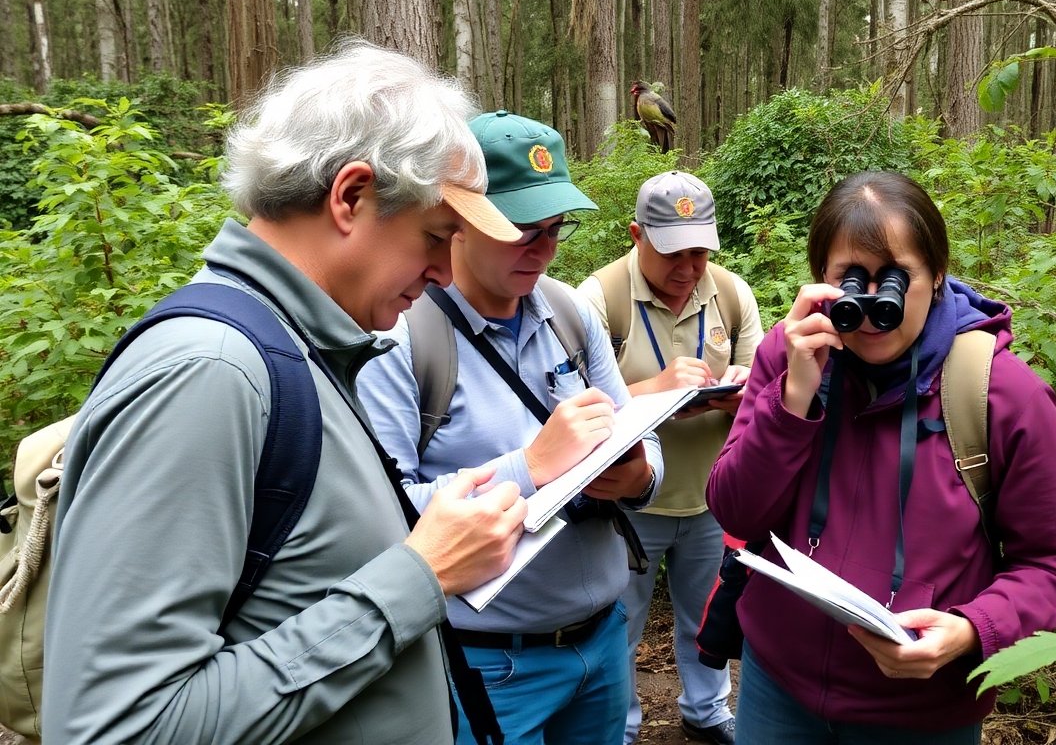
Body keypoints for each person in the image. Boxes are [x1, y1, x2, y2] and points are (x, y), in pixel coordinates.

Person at [42, 41, 529, 744]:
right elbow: (116, 727)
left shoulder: (305, 350)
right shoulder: (210, 372)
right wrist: (417, 578)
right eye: (435, 237)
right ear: (351, 196)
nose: (445, 275)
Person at [706, 171, 1056, 744]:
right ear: (822, 279)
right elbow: (736, 512)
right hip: (779, 687)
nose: (871, 306)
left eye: (895, 280)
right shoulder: (790, 356)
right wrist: (793, 398)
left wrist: (971, 631)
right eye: (850, 280)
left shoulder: (999, 393)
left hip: (920, 710)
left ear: (938, 275)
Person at [358, 110, 664, 745]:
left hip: (604, 643)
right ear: (461, 221)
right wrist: (531, 467)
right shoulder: (402, 339)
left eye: (556, 229)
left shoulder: (571, 313)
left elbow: (643, 440)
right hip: (490, 663)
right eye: (523, 229)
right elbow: (384, 519)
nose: (544, 248)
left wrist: (638, 475)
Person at [577, 170, 763, 745]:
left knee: (704, 620)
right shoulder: (597, 299)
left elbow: (769, 394)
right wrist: (652, 391)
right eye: (672, 253)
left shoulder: (730, 294)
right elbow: (567, 415)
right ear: (636, 236)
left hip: (712, 500)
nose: (688, 269)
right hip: (628, 505)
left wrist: (743, 393)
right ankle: (623, 725)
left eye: (700, 253)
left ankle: (706, 712)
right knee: (622, 622)